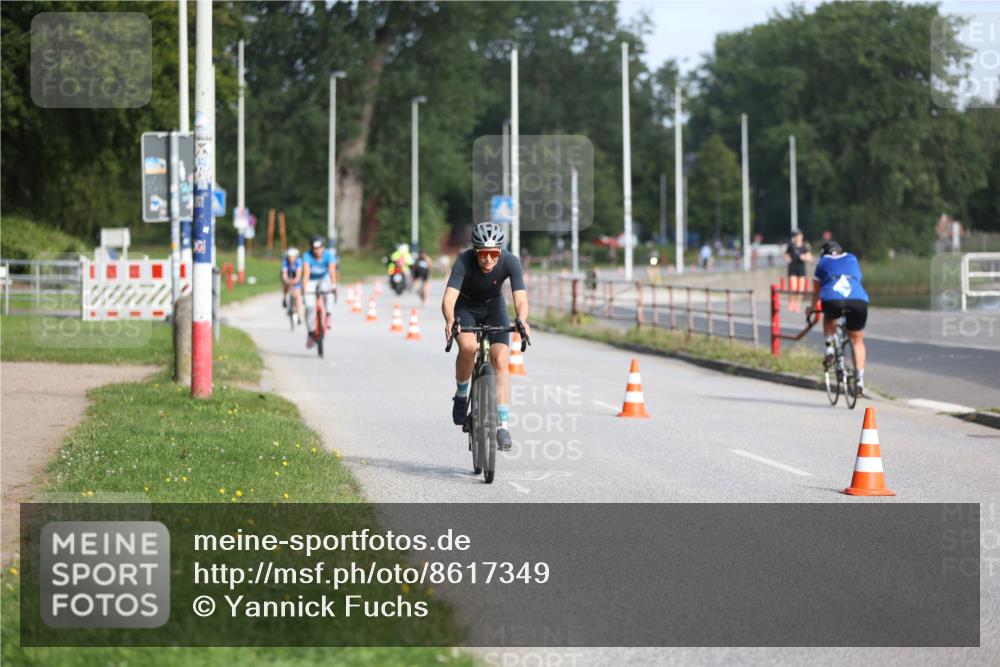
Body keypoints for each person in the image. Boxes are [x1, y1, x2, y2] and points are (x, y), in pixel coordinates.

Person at [442, 222, 530, 451]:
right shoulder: (463, 261)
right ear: (475, 251)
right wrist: (450, 319)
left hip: (494, 308)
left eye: (493, 254)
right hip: (466, 308)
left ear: (500, 251)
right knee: (469, 348)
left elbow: (521, 299)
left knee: (500, 359)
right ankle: (461, 394)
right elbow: (449, 298)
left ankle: (503, 425)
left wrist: (522, 319)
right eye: (483, 254)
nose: (488, 259)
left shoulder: (511, 261)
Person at [810, 241, 869, 394]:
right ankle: (860, 380)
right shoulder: (852, 258)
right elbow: (857, 278)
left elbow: (816, 291)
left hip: (833, 300)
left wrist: (811, 308)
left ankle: (829, 348)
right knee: (857, 341)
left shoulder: (822, 262)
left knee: (829, 318)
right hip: (858, 300)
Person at [302, 236, 338, 348]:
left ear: (323, 248)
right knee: (309, 305)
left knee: (329, 292)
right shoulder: (307, 256)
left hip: (324, 278)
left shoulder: (329, 255)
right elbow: (306, 274)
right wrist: (304, 289)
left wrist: (334, 286)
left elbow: (332, 272)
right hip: (311, 279)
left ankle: (328, 314)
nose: (317, 251)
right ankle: (311, 332)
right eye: (314, 249)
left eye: (319, 248)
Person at [784, 230, 813, 313]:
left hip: (801, 268)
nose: (798, 238)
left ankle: (797, 305)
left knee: (800, 289)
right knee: (793, 288)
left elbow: (810, 257)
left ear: (802, 237)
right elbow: (786, 254)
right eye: (796, 236)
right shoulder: (791, 246)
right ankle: (791, 303)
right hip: (792, 267)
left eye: (799, 236)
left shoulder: (805, 246)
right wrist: (787, 258)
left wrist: (804, 257)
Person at [281, 247, 304, 324]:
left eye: (293, 257)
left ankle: (299, 315)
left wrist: (295, 281)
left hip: (296, 277)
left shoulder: (299, 262)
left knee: (298, 296)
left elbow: (299, 274)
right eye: (290, 257)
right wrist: (286, 280)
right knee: (285, 285)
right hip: (288, 275)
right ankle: (284, 297)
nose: (291, 259)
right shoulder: (285, 262)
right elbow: (284, 274)